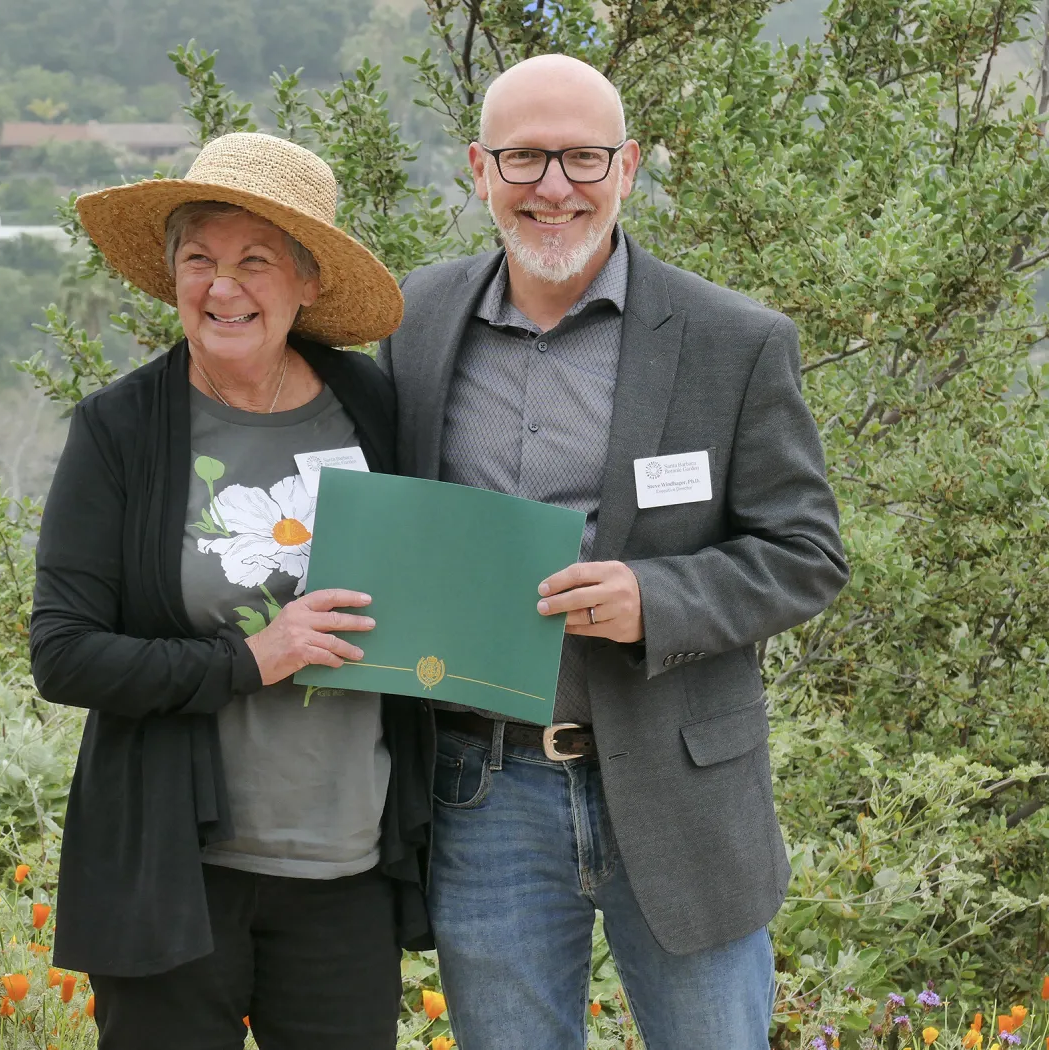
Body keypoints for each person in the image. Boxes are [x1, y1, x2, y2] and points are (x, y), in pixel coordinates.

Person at [378, 55, 849, 1049]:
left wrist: (657, 598)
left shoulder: (733, 339)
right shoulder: (410, 324)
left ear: (627, 166)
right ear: (478, 168)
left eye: (582, 158)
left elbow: (806, 553)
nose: (555, 187)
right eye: (525, 159)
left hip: (680, 787)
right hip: (481, 787)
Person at [30, 132, 434, 1050]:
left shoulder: (374, 409)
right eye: (199, 260)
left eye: (255, 261)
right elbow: (61, 651)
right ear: (171, 277)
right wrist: (251, 658)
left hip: (346, 867)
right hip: (175, 867)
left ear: (309, 283)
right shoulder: (121, 429)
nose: (222, 287)